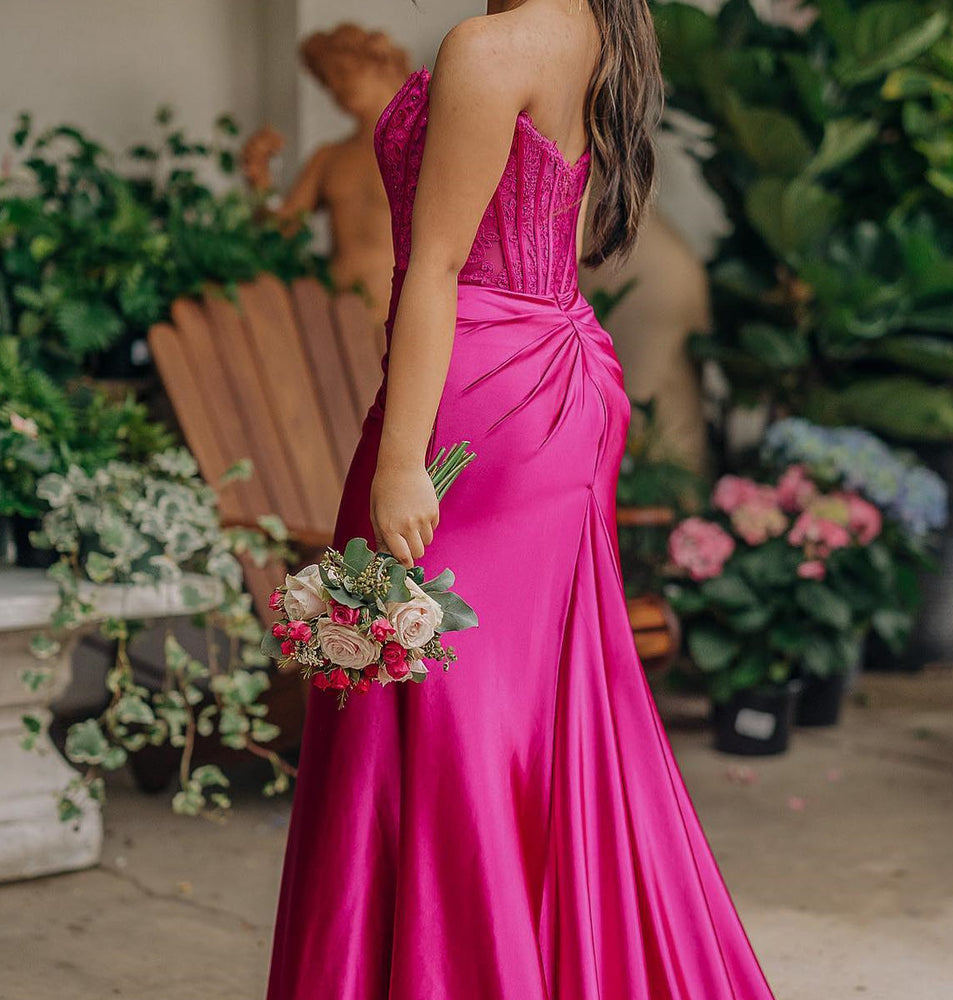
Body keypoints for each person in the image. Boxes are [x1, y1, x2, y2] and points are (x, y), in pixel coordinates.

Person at [266, 1, 777, 997]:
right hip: (550, 379)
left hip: (475, 403)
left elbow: (440, 266)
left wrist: (401, 459)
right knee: (523, 707)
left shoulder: (491, 46)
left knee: (433, 702)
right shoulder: (591, 25)